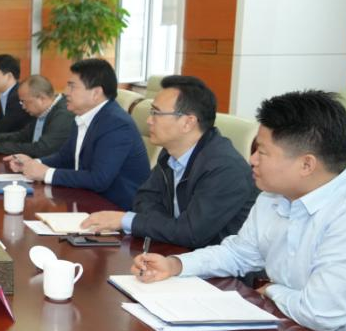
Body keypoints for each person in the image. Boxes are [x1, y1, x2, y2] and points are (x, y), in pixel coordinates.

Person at [135, 90, 346, 331]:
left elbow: (320, 312)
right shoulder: (273, 196)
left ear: (306, 164)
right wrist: (175, 264)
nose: (252, 159)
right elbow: (238, 254)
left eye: (262, 152)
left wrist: (273, 291)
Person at [81, 75, 257, 247]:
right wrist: (170, 227)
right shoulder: (170, 152)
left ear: (188, 123)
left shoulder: (225, 169)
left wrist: (127, 220)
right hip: (175, 250)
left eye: (156, 113)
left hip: (217, 263)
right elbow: (143, 199)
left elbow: (192, 233)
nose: (149, 120)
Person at [8, 58, 149, 210]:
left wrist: (47, 174)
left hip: (115, 210)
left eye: (72, 86)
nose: (65, 92)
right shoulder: (82, 116)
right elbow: (65, 157)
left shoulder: (116, 124)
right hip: (87, 201)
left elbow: (99, 179)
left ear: (96, 93)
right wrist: (33, 163)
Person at [0, 75, 72, 159]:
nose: (23, 107)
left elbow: (42, 149)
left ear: (41, 98)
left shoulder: (64, 114)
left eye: (24, 101)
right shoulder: (43, 111)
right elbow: (22, 136)